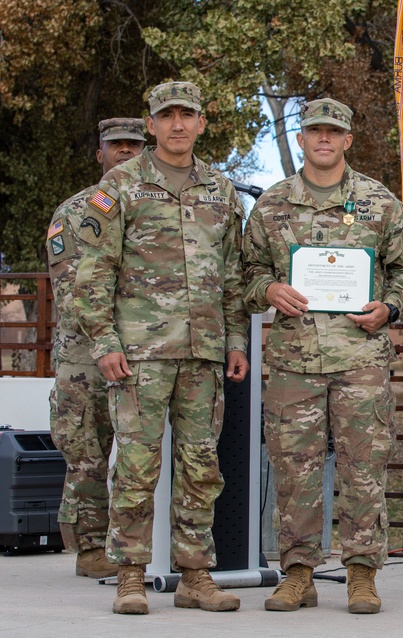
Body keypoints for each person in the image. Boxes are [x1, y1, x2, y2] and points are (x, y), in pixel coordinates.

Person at [73, 81, 249, 615]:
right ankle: (130, 574)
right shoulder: (119, 186)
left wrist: (237, 339)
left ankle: (195, 575)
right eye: (166, 116)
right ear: (150, 125)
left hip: (203, 353)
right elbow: (92, 274)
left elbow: (234, 275)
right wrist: (103, 341)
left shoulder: (221, 190)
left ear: (201, 123)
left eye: (186, 115)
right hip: (138, 353)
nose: (177, 125)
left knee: (201, 465)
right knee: (136, 465)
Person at [242, 98, 403, 614]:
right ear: (301, 139)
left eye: (334, 131)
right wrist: (269, 289)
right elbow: (247, 272)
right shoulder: (273, 204)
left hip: (360, 359)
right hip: (294, 361)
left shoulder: (379, 202)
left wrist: (389, 306)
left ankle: (361, 574)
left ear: (347, 140)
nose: (324, 138)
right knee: (294, 469)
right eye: (314, 130)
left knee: (362, 469)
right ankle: (297, 574)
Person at [46, 117, 145, 579]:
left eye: (134, 145)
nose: (125, 153)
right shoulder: (77, 211)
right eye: (116, 145)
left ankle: (136, 544)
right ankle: (89, 546)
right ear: (100, 153)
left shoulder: (152, 205)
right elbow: (73, 289)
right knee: (86, 448)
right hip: (84, 355)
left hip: (144, 348)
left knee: (137, 451)